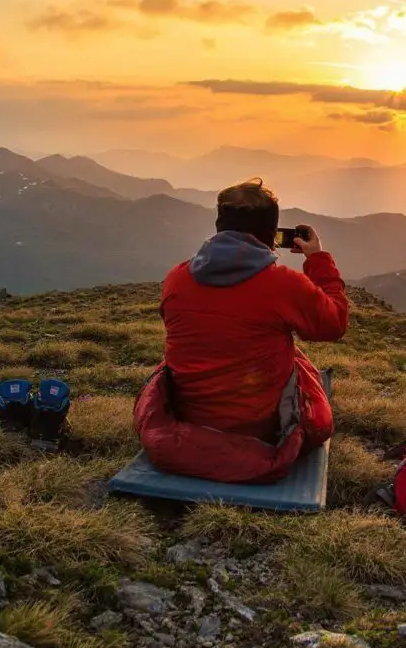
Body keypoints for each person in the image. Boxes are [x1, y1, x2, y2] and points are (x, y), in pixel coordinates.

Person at [134, 178, 349, 483]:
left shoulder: (177, 278)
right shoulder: (283, 284)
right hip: (261, 429)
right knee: (299, 367)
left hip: (190, 420)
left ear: (221, 225)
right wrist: (317, 259)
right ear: (270, 233)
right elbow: (334, 324)